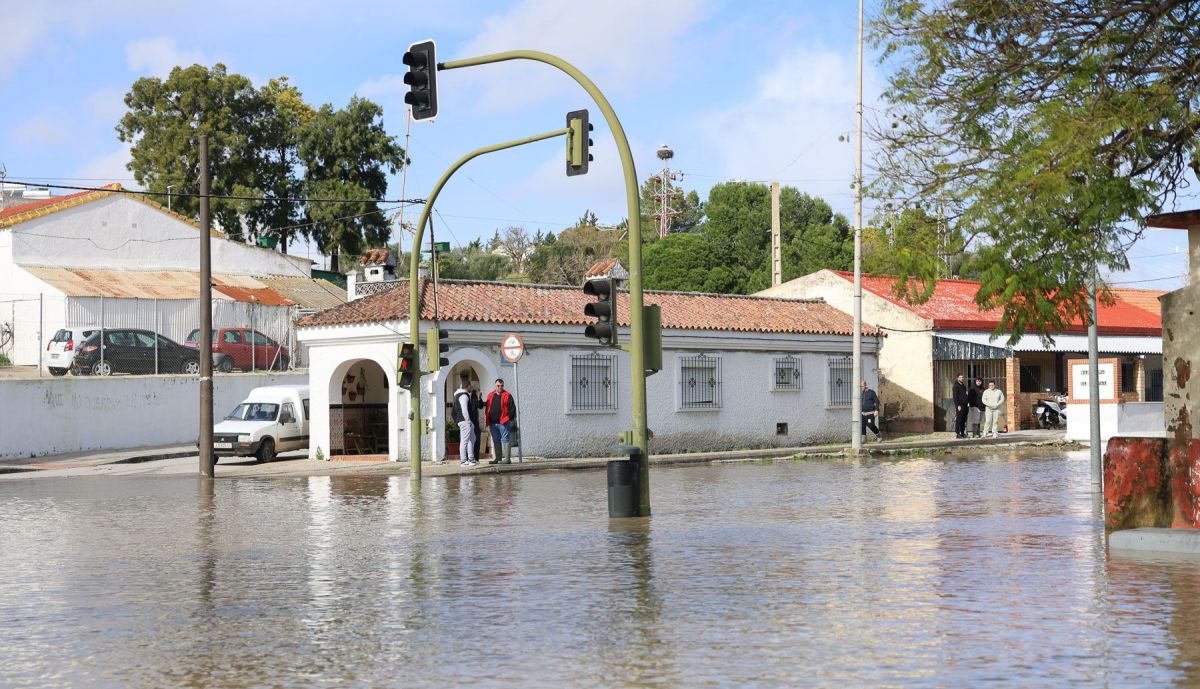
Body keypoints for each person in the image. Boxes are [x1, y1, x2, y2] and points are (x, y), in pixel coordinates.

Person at [486, 378, 517, 465]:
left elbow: (512, 410)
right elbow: (487, 407)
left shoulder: (508, 395)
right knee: (496, 440)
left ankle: (507, 459)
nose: (500, 387)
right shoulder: (490, 395)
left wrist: (506, 419)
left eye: (502, 385)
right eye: (498, 385)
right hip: (492, 423)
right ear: (495, 386)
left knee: (505, 439)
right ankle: (498, 458)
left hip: (503, 423)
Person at [451, 378, 477, 466]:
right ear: (468, 386)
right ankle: (463, 461)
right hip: (465, 421)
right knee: (465, 441)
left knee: (472, 439)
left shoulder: (458, 396)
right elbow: (464, 410)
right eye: (471, 386)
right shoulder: (463, 396)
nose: (471, 388)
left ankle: (471, 459)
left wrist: (457, 421)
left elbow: (453, 412)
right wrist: (468, 421)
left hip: (463, 421)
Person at [952, 373, 970, 438]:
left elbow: (965, 395)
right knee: (959, 420)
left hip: (965, 406)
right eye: (960, 377)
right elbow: (955, 397)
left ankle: (962, 433)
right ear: (957, 378)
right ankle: (958, 433)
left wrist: (967, 403)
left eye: (962, 377)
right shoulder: (956, 386)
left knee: (963, 420)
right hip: (960, 406)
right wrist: (958, 405)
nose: (961, 378)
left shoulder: (963, 386)